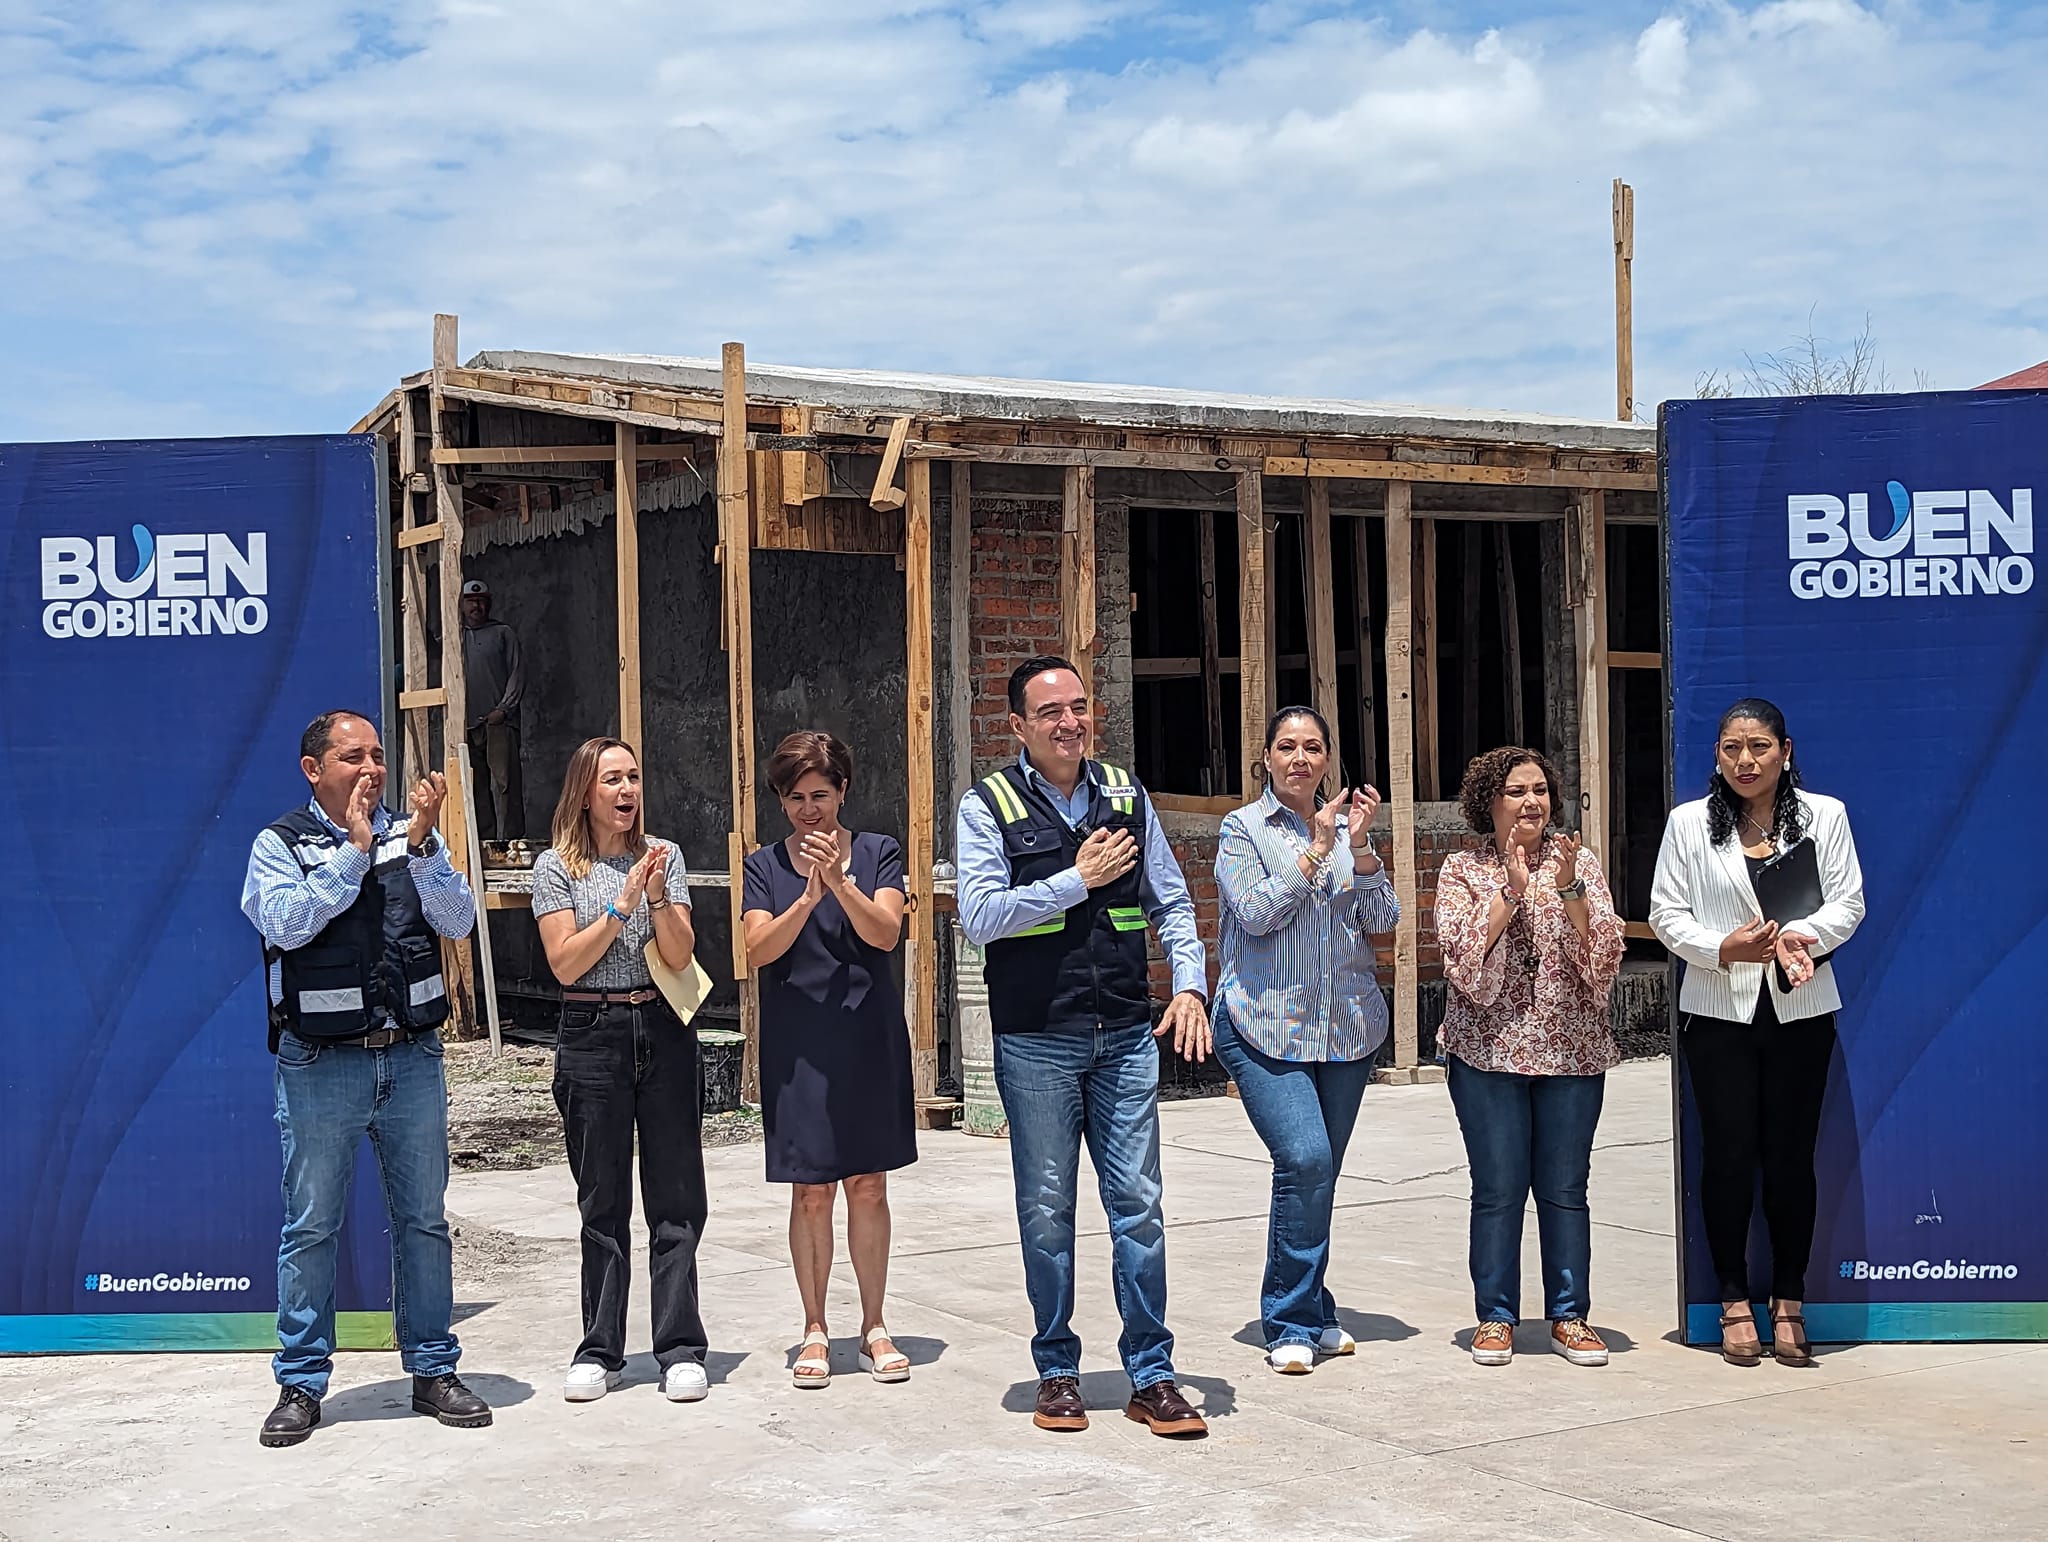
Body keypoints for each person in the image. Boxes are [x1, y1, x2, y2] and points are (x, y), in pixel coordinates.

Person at [956, 655, 1213, 1439]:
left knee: (1138, 1205)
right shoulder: (987, 805)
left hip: (1127, 1033)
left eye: (1078, 706)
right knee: (1046, 1210)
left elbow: (1171, 900)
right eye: (1051, 712)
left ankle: (1152, 1375)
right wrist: (1075, 877)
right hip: (1038, 1039)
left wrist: (1192, 986)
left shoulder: (1126, 795)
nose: (1070, 722)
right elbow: (980, 916)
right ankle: (1058, 1371)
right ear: (1019, 727)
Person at [242, 709, 492, 1447]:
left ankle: (433, 1369)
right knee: (311, 1226)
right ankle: (300, 1382)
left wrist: (419, 846)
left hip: (410, 1060)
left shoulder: (411, 837)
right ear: (313, 768)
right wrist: (353, 855)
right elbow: (284, 924)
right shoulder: (277, 845)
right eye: (353, 757)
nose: (371, 770)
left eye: (379, 756)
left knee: (422, 1222)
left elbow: (458, 920)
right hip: (321, 1066)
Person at [1649, 698, 1865, 1367]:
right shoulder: (1689, 825)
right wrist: (1723, 949)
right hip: (1718, 1013)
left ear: (1786, 750)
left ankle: (1791, 1300)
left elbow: (1848, 902)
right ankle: (1734, 1299)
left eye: (1760, 747)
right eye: (1732, 747)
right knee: (1729, 1155)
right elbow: (1664, 913)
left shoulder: (1823, 815)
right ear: (1717, 755)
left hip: (1800, 1008)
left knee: (1791, 1157)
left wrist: (1798, 935)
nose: (1746, 760)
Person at [1212, 707, 1399, 1374]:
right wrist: (1317, 850)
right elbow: (1257, 916)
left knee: (1319, 1176)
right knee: (1306, 1160)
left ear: (1327, 760)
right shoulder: (1243, 829)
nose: (1300, 758)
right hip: (1262, 1023)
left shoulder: (1350, 830)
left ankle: (1315, 1308)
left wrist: (1364, 846)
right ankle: (1289, 1320)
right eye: (1286, 747)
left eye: (1313, 747)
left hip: (1344, 1029)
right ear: (1265, 758)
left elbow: (1384, 919)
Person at [1434, 746, 1625, 1369]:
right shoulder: (1463, 870)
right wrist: (1509, 896)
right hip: (1487, 1054)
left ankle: (1570, 1316)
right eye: (1516, 791)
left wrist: (1569, 889)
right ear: (1488, 801)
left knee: (1566, 1190)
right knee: (1497, 1190)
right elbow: (1461, 964)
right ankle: (1495, 1317)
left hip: (1570, 1050)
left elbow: (1605, 955)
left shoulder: (1579, 862)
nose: (1531, 803)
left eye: (1540, 790)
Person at [530, 737, 707, 1404]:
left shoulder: (666, 856)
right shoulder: (556, 867)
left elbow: (683, 951)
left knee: (676, 1194)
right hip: (591, 1029)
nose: (627, 790)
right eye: (613, 779)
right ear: (586, 792)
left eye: (633, 776)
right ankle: (599, 1350)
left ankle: (680, 1347)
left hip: (661, 1023)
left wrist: (659, 899)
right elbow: (566, 962)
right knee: (601, 1199)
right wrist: (622, 906)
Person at [742, 731, 919, 1389]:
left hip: (868, 1040)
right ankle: (815, 1326)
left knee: (868, 1184)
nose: (809, 810)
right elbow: (758, 949)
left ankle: (874, 1323)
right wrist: (807, 898)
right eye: (795, 798)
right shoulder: (764, 865)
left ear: (843, 790)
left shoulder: (878, 852)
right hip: (800, 1047)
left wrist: (841, 884)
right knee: (810, 1190)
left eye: (820, 795)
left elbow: (885, 931)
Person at [460, 579, 525, 841]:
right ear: (462, 605)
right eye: (471, 601)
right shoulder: (456, 637)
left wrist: (503, 710)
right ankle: (484, 844)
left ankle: (512, 842)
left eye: (482, 601)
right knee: (476, 787)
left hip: (498, 723)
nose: (477, 606)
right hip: (468, 725)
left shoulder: (502, 633)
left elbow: (518, 674)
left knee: (505, 784)